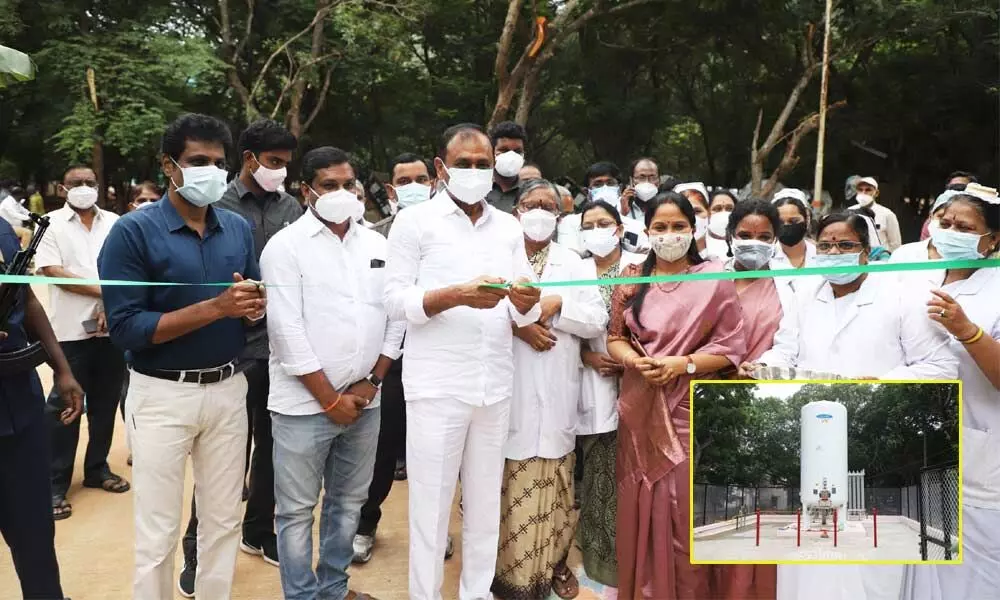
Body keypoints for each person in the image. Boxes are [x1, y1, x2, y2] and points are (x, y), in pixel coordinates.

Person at [743, 211, 959, 600]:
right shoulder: (805, 292)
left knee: (863, 567)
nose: (833, 253)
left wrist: (881, 382)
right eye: (825, 245)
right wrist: (764, 366)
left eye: (845, 245)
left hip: (865, 423)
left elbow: (941, 366)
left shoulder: (901, 295)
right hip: (813, 418)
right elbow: (786, 348)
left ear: (867, 251)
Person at [98, 113, 266, 600]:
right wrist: (215, 308)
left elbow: (249, 299)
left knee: (222, 521)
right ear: (169, 165)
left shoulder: (234, 228)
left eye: (218, 162)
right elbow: (126, 329)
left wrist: (252, 308)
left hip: (229, 389)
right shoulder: (132, 233)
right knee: (158, 530)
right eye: (198, 161)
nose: (211, 171)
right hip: (161, 393)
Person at [383, 123, 542, 600]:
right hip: (437, 385)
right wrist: (453, 296)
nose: (474, 172)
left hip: (493, 384)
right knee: (429, 508)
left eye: (482, 165)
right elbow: (392, 300)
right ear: (441, 168)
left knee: (483, 506)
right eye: (464, 164)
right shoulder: (414, 223)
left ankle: (476, 592)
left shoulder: (510, 226)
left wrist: (529, 298)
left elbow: (523, 309)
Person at [260, 146, 401, 600]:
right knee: (297, 511)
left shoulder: (379, 245)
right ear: (306, 192)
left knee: (348, 504)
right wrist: (329, 399)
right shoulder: (284, 248)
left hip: (366, 401)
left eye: (348, 185)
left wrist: (372, 381)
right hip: (304, 406)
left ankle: (334, 589)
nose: (342, 193)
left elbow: (394, 317)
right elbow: (286, 331)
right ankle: (301, 595)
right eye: (329, 186)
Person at [176, 118, 300, 594]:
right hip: (232, 350)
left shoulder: (292, 206)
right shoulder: (217, 206)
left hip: (283, 350)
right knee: (222, 459)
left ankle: (258, 530)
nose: (280, 173)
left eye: (286, 165)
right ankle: (197, 550)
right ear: (249, 160)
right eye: (273, 163)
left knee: (275, 448)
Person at [605, 192, 748, 598]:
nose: (669, 235)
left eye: (678, 226)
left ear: (694, 228)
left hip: (688, 408)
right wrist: (636, 363)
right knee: (643, 507)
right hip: (640, 409)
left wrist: (680, 364)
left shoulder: (715, 278)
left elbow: (730, 348)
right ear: (647, 231)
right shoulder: (631, 279)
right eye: (660, 228)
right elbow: (615, 338)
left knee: (683, 514)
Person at [493, 179, 607, 600]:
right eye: (530, 203)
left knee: (557, 488)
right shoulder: (498, 256)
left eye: (548, 205)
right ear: (516, 210)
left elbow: (595, 320)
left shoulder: (575, 263)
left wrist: (558, 306)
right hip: (509, 390)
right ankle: (507, 578)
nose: (539, 210)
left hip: (559, 391)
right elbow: (475, 315)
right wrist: (521, 330)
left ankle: (553, 567)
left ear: (560, 216)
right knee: (505, 489)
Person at [897, 188, 1000, 600]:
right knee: (923, 571)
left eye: (966, 228)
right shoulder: (910, 280)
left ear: (992, 240)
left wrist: (967, 330)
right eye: (946, 224)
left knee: (976, 577)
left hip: (982, 455)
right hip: (920, 446)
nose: (952, 233)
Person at [355, 151, 453, 564]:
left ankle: (436, 531)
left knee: (438, 452)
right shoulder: (375, 236)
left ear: (433, 182)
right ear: (392, 189)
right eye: (404, 180)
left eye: (420, 178)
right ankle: (365, 524)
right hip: (390, 361)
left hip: (441, 355)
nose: (413, 185)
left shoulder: (450, 234)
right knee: (382, 447)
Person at [35, 165, 127, 522]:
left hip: (111, 329)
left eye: (90, 183)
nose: (85, 188)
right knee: (65, 406)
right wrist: (107, 293)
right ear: (62, 188)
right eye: (76, 183)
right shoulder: (50, 224)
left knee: (105, 403)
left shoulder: (117, 222)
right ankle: (53, 483)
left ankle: (97, 469)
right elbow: (54, 273)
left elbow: (125, 271)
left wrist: (109, 302)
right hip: (69, 333)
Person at [0, 216, 84, 600]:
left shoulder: (1, 228)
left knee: (34, 528)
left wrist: (62, 370)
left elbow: (27, 299)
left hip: (20, 401)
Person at [575, 199, 644, 592]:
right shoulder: (575, 269)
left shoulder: (640, 265)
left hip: (639, 381)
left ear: (619, 228)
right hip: (591, 382)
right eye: (590, 224)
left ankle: (636, 557)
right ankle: (600, 559)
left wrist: (630, 358)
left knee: (632, 474)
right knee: (598, 471)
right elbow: (561, 331)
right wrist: (587, 356)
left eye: (605, 222)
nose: (598, 229)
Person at [919, 172, 977, 240]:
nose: (957, 192)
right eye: (953, 188)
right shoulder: (933, 221)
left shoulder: (979, 220)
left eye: (961, 188)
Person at [849, 177, 902, 251]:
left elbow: (895, 244)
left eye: (868, 190)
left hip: (880, 260)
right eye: (860, 190)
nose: (863, 193)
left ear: (876, 193)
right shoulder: (849, 212)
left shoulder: (887, 214)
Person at [486, 121, 527, 213]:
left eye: (517, 151)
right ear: (492, 152)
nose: (511, 156)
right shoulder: (478, 187)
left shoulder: (528, 193)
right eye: (504, 150)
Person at [770, 189, 815, 271]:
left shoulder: (820, 254)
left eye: (793, 221)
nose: (786, 226)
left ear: (807, 219)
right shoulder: (767, 257)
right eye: (780, 222)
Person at [673, 182, 713, 258]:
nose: (692, 218)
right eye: (684, 212)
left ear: (709, 214)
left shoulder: (723, 255)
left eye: (697, 211)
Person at [621, 158, 659, 222]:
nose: (647, 182)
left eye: (652, 177)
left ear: (659, 181)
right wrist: (623, 213)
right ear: (632, 181)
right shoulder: (619, 205)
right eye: (641, 177)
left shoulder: (667, 206)